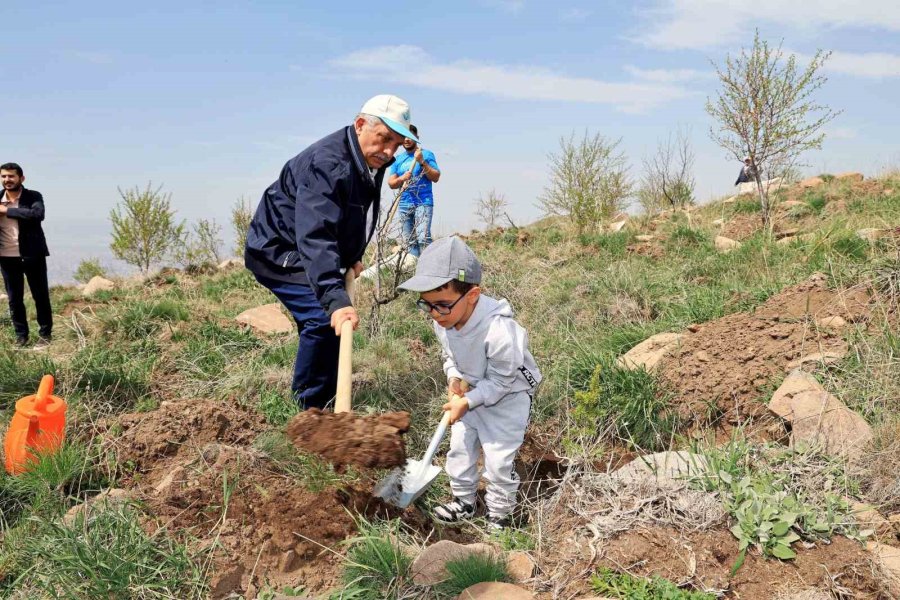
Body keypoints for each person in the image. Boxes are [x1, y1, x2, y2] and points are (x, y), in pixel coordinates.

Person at [244, 95, 417, 410]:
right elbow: (316, 232)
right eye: (384, 139)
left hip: (307, 246)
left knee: (329, 322)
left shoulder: (368, 157)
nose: (390, 151)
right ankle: (311, 411)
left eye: (397, 142)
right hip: (277, 250)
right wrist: (335, 299)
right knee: (325, 318)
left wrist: (352, 255)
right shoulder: (328, 163)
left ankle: (325, 392)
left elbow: (349, 212)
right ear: (361, 124)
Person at [398, 236, 541, 529]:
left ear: (473, 295)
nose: (435, 315)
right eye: (426, 306)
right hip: (472, 392)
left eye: (441, 305)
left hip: (508, 397)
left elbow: (502, 381)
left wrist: (468, 401)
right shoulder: (444, 322)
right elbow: (450, 356)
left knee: (499, 461)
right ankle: (464, 502)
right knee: (460, 450)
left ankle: (500, 515)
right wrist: (454, 380)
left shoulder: (500, 331)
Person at [0, 163, 52, 348]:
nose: (7, 180)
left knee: (40, 296)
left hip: (32, 254)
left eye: (11, 176)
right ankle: (21, 337)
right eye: (4, 176)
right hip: (6, 257)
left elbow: (37, 214)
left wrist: (7, 210)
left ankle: (45, 334)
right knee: (14, 299)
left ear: (21, 178)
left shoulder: (33, 196)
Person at [387, 124, 441, 257]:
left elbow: (436, 177)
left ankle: (430, 267)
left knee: (423, 238)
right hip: (404, 203)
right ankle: (414, 270)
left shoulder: (426, 154)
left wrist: (422, 162)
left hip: (423, 201)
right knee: (409, 242)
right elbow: (391, 183)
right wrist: (402, 179)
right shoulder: (397, 159)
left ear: (416, 137)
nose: (406, 140)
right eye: (403, 136)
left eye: (410, 136)